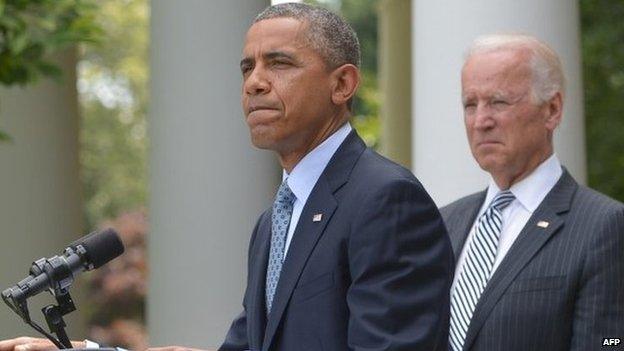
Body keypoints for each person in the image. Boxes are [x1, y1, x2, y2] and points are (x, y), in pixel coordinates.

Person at [0, 3, 453, 351]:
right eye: (246, 68)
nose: (254, 82)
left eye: (279, 63)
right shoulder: (274, 220)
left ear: (342, 84)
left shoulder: (384, 199)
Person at [441, 33, 624, 351]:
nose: (481, 121)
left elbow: (609, 343)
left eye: (498, 101)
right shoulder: (445, 223)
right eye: (470, 105)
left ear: (552, 109)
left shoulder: (603, 226)